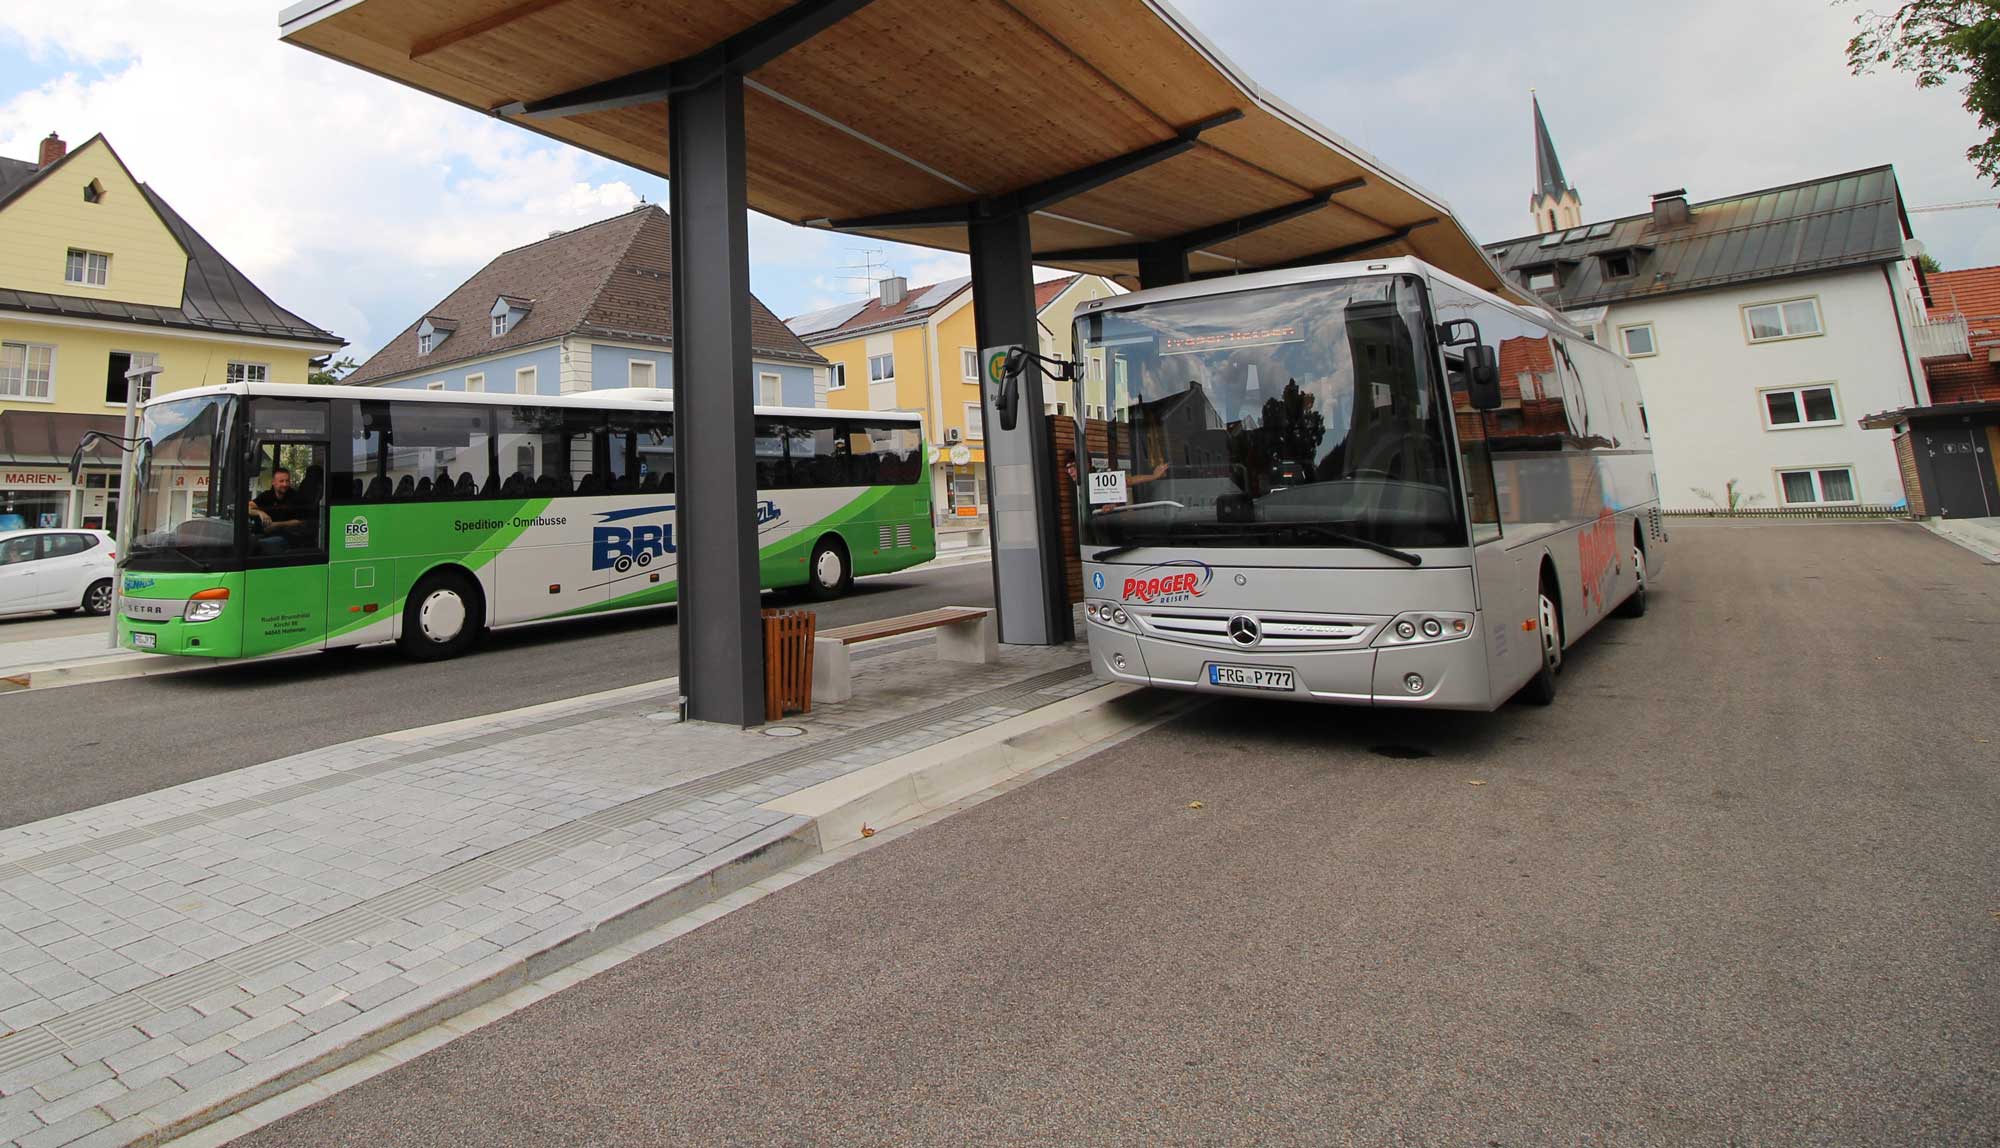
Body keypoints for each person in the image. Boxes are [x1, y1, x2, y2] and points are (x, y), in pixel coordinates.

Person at [248, 466, 310, 551]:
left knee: (259, 545)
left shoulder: (296, 497)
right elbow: (248, 507)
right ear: (273, 482)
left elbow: (302, 521)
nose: (285, 484)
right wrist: (260, 513)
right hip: (264, 534)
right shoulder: (267, 495)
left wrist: (276, 525)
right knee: (246, 543)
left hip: (286, 537)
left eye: (287, 481)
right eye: (281, 481)